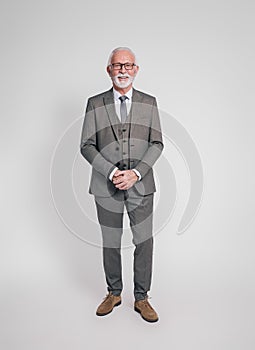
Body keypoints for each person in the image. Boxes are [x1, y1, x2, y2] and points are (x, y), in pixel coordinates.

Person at [80, 47, 164, 322]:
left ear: (136, 69)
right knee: (111, 241)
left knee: (144, 242)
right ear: (109, 70)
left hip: (141, 186)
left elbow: (156, 143)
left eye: (128, 65)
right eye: (117, 65)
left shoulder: (149, 103)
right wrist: (113, 171)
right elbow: (87, 145)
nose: (123, 70)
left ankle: (142, 298)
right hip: (107, 187)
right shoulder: (95, 103)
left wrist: (136, 173)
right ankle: (114, 292)